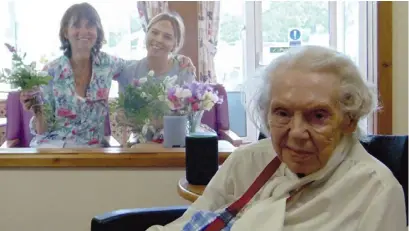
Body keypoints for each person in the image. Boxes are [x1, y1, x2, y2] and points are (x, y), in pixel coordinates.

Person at [146, 46, 407, 231]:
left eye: (318, 116)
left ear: (349, 119)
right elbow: (189, 223)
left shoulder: (376, 192)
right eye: (282, 113)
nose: (296, 133)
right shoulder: (246, 162)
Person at [19, 3, 194, 148]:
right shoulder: (50, 71)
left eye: (90, 25)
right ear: (66, 32)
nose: (84, 31)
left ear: (97, 31)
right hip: (55, 149)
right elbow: (42, 129)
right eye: (76, 25)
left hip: (94, 150)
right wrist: (37, 108)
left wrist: (178, 59)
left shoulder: (108, 64)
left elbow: (149, 63)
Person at [116, 12, 196, 144]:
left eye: (167, 37)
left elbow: (189, 118)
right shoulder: (128, 71)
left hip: (175, 145)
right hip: (139, 146)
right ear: (146, 33)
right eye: (154, 32)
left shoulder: (184, 70)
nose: (158, 39)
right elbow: (122, 116)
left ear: (175, 44)